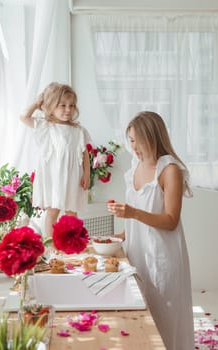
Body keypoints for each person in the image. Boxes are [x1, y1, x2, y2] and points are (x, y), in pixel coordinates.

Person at [107, 111, 194, 350]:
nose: (134, 146)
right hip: (137, 253)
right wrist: (116, 237)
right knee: (141, 315)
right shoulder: (134, 167)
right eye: (131, 140)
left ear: (153, 137)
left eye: (138, 140)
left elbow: (170, 220)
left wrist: (132, 213)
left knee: (164, 316)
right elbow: (137, 218)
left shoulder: (169, 170)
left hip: (162, 256)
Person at [20, 82, 91, 237]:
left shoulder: (78, 130)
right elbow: (24, 117)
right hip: (54, 177)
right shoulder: (46, 126)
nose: (68, 109)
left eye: (72, 105)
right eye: (62, 105)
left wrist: (87, 173)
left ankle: (72, 242)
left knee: (72, 211)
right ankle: (51, 243)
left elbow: (84, 153)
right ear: (51, 105)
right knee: (53, 211)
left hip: (72, 176)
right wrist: (38, 103)